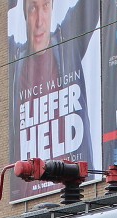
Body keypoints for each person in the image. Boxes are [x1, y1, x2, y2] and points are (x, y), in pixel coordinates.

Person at [9, 0, 99, 189]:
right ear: (24, 15)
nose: (40, 20)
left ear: (52, 9)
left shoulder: (69, 38)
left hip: (77, 188)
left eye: (45, 7)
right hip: (29, 196)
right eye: (33, 9)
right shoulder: (14, 59)